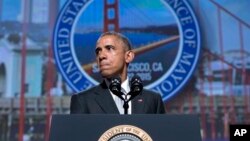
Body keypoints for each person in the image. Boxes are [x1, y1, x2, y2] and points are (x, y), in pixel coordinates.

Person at [70, 31, 165, 114]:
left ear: (128, 56)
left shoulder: (152, 100)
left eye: (109, 48)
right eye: (98, 51)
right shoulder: (83, 101)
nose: (101, 56)